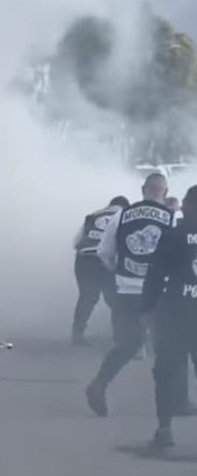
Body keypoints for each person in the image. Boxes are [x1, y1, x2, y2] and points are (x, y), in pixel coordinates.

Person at [85, 172, 173, 416]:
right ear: (165, 193)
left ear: (143, 189)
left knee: (128, 344)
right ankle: (170, 403)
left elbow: (103, 252)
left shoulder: (121, 215)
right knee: (170, 345)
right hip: (160, 292)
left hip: (127, 289)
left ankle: (99, 383)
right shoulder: (173, 217)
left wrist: (120, 271)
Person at [142, 185, 197, 447]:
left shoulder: (172, 236)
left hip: (175, 314)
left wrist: (146, 310)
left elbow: (154, 277)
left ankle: (164, 430)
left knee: (165, 375)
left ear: (186, 207)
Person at [71, 195, 129, 346]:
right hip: (106, 260)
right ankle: (121, 336)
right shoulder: (125, 216)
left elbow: (75, 242)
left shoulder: (92, 215)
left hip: (84, 259)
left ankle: (77, 333)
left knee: (87, 297)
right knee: (115, 299)